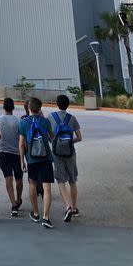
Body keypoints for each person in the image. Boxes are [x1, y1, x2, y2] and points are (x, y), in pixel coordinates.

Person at [18, 96, 54, 229]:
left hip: (31, 158)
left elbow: (21, 144)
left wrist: (22, 160)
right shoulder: (45, 122)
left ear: (28, 108)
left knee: (32, 183)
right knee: (47, 187)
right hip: (46, 158)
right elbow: (52, 138)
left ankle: (36, 212)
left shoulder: (23, 123)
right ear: (40, 109)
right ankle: (46, 217)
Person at [50, 93, 82, 222]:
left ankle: (67, 206)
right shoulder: (72, 118)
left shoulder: (50, 117)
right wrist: (69, 142)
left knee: (61, 180)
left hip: (57, 154)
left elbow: (49, 135)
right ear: (68, 105)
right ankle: (74, 208)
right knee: (72, 180)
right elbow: (79, 137)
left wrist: (55, 143)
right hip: (70, 153)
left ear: (57, 104)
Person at [0, 98, 23, 217]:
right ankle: (18, 198)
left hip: (3, 153)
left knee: (8, 177)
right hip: (16, 153)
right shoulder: (18, 121)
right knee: (19, 178)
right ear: (13, 107)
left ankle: (13, 205)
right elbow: (22, 139)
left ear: (3, 107)